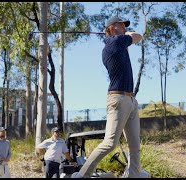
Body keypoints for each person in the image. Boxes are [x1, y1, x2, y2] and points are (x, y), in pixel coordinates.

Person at [71, 16, 143, 178]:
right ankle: (82, 175)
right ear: (111, 28)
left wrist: (125, 33)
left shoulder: (119, 43)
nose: (124, 28)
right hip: (118, 98)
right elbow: (139, 36)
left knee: (135, 147)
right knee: (110, 143)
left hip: (131, 100)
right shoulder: (114, 43)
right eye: (121, 25)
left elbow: (134, 37)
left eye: (125, 26)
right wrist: (129, 34)